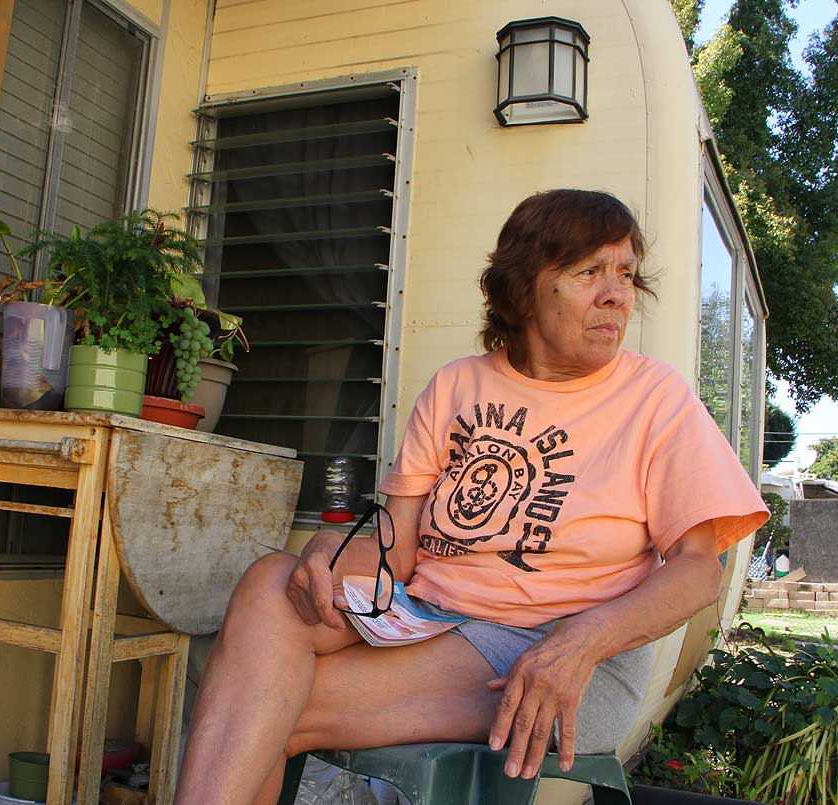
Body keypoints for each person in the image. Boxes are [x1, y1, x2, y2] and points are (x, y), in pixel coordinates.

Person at [175, 189, 768, 805]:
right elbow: (396, 544)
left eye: (625, 273)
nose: (616, 293)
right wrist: (334, 553)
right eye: (589, 272)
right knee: (273, 582)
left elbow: (700, 571)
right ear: (524, 287)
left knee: (261, 707)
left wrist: (585, 639)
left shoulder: (654, 398)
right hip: (427, 617)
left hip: (562, 650)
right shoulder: (458, 384)